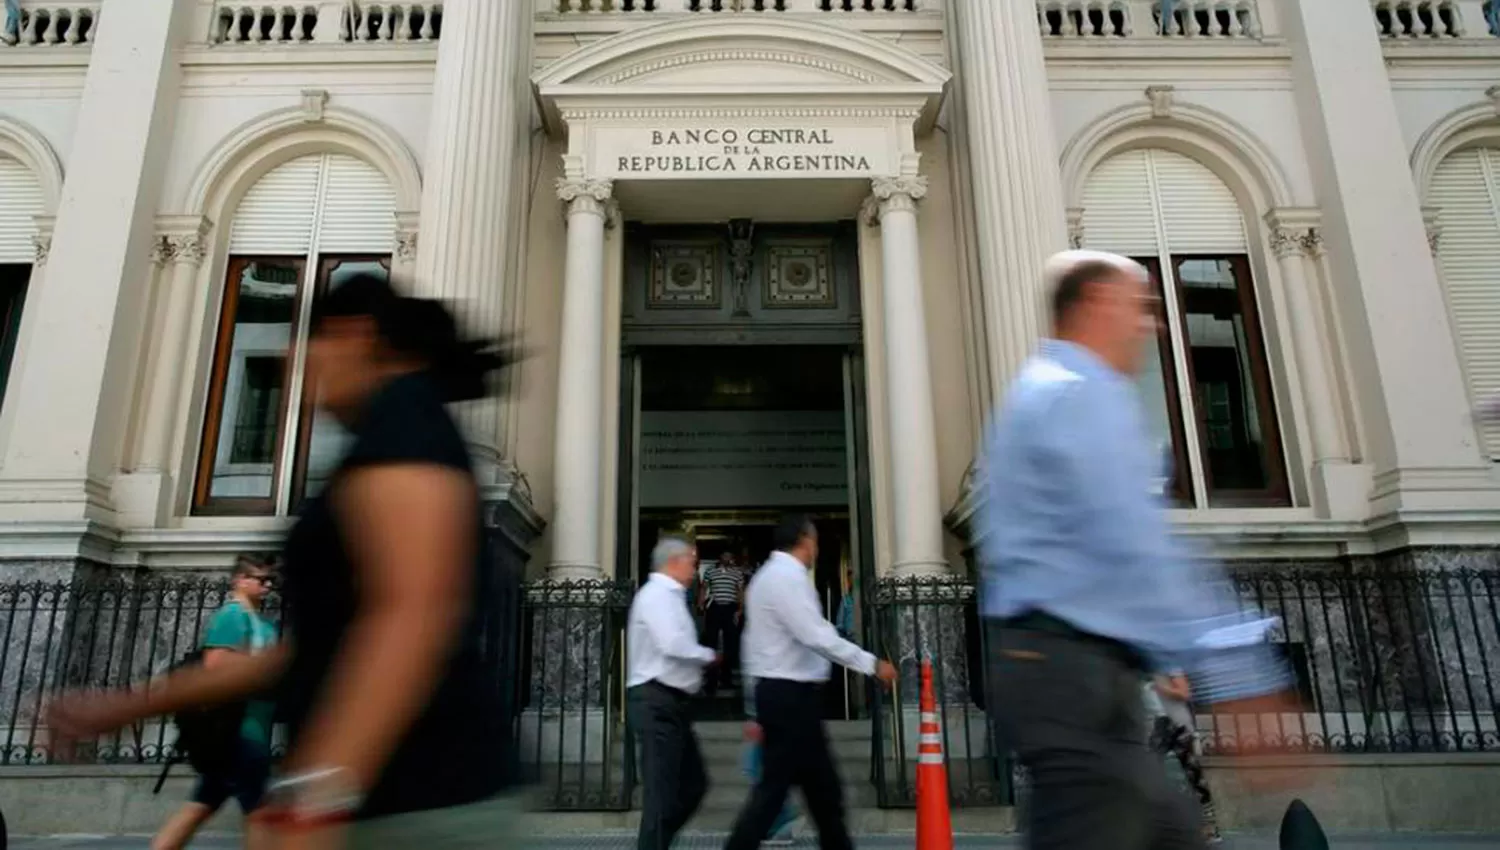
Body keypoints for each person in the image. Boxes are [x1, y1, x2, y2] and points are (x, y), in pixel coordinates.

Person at [50, 272, 518, 847]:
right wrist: (130, 705)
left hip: (419, 809)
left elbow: (413, 616)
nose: (298, 368)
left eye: (307, 347)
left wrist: (320, 795)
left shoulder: (407, 424)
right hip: (405, 806)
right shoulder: (391, 432)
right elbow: (316, 648)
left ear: (355, 335)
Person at [977, 250, 1299, 850]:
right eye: (1141, 308)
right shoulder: (1081, 395)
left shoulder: (1042, 390)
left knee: (1173, 831)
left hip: (1072, 676)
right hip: (1072, 677)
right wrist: (1236, 677)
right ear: (1097, 304)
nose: (1152, 326)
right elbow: (1138, 545)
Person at [723, 513, 897, 850]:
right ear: (804, 540)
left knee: (821, 794)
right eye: (814, 540)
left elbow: (757, 644)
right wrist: (871, 663)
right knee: (780, 795)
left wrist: (753, 702)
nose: (816, 547)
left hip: (784, 696)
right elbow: (815, 635)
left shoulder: (768, 578)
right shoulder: (785, 578)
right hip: (789, 697)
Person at [153, 555, 278, 850]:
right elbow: (216, 665)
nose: (268, 585)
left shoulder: (260, 622)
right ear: (240, 580)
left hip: (252, 727)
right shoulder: (233, 616)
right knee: (260, 812)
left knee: (200, 805)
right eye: (261, 579)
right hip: (238, 729)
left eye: (271, 580)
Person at [628, 536, 718, 850]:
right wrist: (707, 656)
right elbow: (671, 644)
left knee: (693, 785)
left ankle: (657, 844)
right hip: (656, 702)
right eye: (692, 562)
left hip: (674, 704)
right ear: (674, 561)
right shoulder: (656, 596)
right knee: (661, 795)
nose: (695, 569)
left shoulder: (672, 597)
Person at [741, 673, 800, 846]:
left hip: (768, 701)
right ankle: (780, 819)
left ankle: (780, 819)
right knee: (760, 765)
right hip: (769, 699)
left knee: (760, 767)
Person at [699, 549, 745, 694]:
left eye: (729, 556)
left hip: (730, 608)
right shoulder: (710, 572)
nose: (727, 558)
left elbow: (740, 591)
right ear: (720, 557)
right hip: (715, 607)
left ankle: (727, 678)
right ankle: (711, 680)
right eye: (725, 555)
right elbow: (704, 588)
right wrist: (701, 604)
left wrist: (740, 609)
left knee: (730, 643)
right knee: (711, 641)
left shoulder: (737, 573)